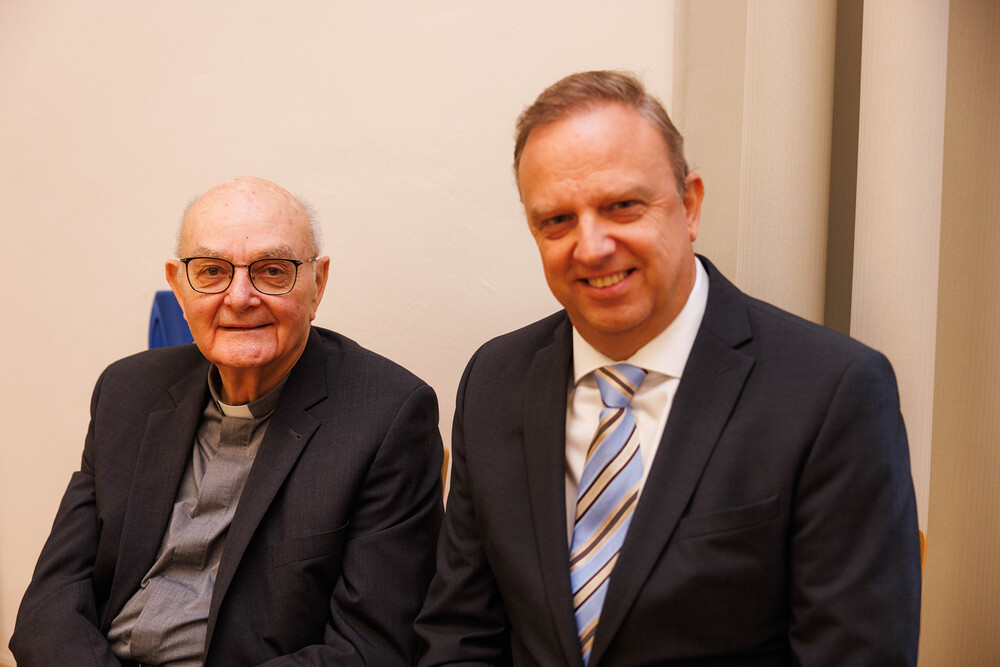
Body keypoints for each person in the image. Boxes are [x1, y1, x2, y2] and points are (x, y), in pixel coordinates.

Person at [416, 71, 921, 666]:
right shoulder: (496, 380)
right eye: (557, 220)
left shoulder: (831, 392)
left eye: (622, 206)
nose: (592, 246)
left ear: (689, 205)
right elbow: (459, 635)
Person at [11, 177, 443, 666]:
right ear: (179, 286)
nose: (239, 297)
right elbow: (51, 603)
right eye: (212, 271)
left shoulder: (387, 416)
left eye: (273, 271)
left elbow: (369, 649)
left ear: (317, 284)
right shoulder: (126, 392)